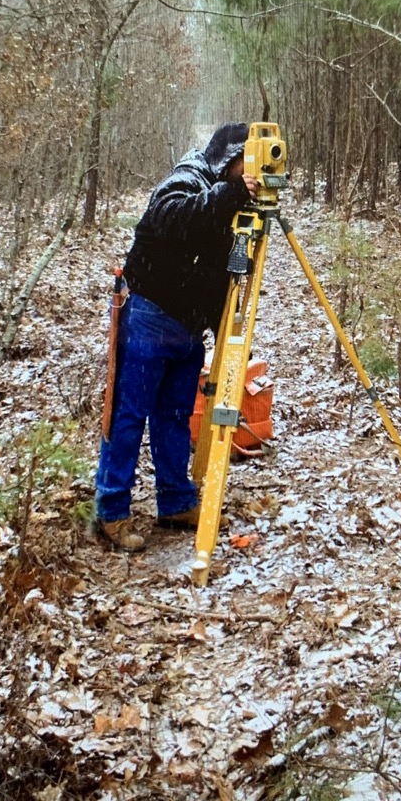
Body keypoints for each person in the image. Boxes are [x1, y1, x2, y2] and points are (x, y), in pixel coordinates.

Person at [94, 122, 259, 552]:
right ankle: (111, 512)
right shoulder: (188, 177)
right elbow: (172, 217)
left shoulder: (235, 198)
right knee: (129, 415)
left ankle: (175, 501)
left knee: (173, 417)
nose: (253, 173)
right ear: (230, 160)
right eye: (247, 162)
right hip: (150, 314)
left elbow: (229, 268)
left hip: (187, 328)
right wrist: (233, 194)